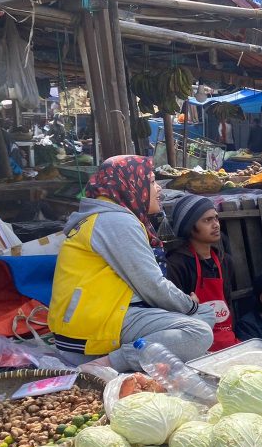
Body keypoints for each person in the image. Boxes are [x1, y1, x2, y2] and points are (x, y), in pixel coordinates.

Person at [48, 156, 215, 371]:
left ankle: (138, 353)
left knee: (206, 314)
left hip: (112, 314)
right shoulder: (116, 221)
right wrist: (188, 305)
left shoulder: (113, 217)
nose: (158, 189)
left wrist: (189, 309)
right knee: (199, 332)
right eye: (152, 181)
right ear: (132, 183)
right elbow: (151, 284)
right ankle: (107, 364)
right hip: (90, 329)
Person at [167, 195, 238, 352]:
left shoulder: (224, 261)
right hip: (196, 346)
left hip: (227, 341)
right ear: (190, 227)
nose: (216, 225)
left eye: (216, 219)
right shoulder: (177, 264)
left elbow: (228, 303)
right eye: (207, 220)